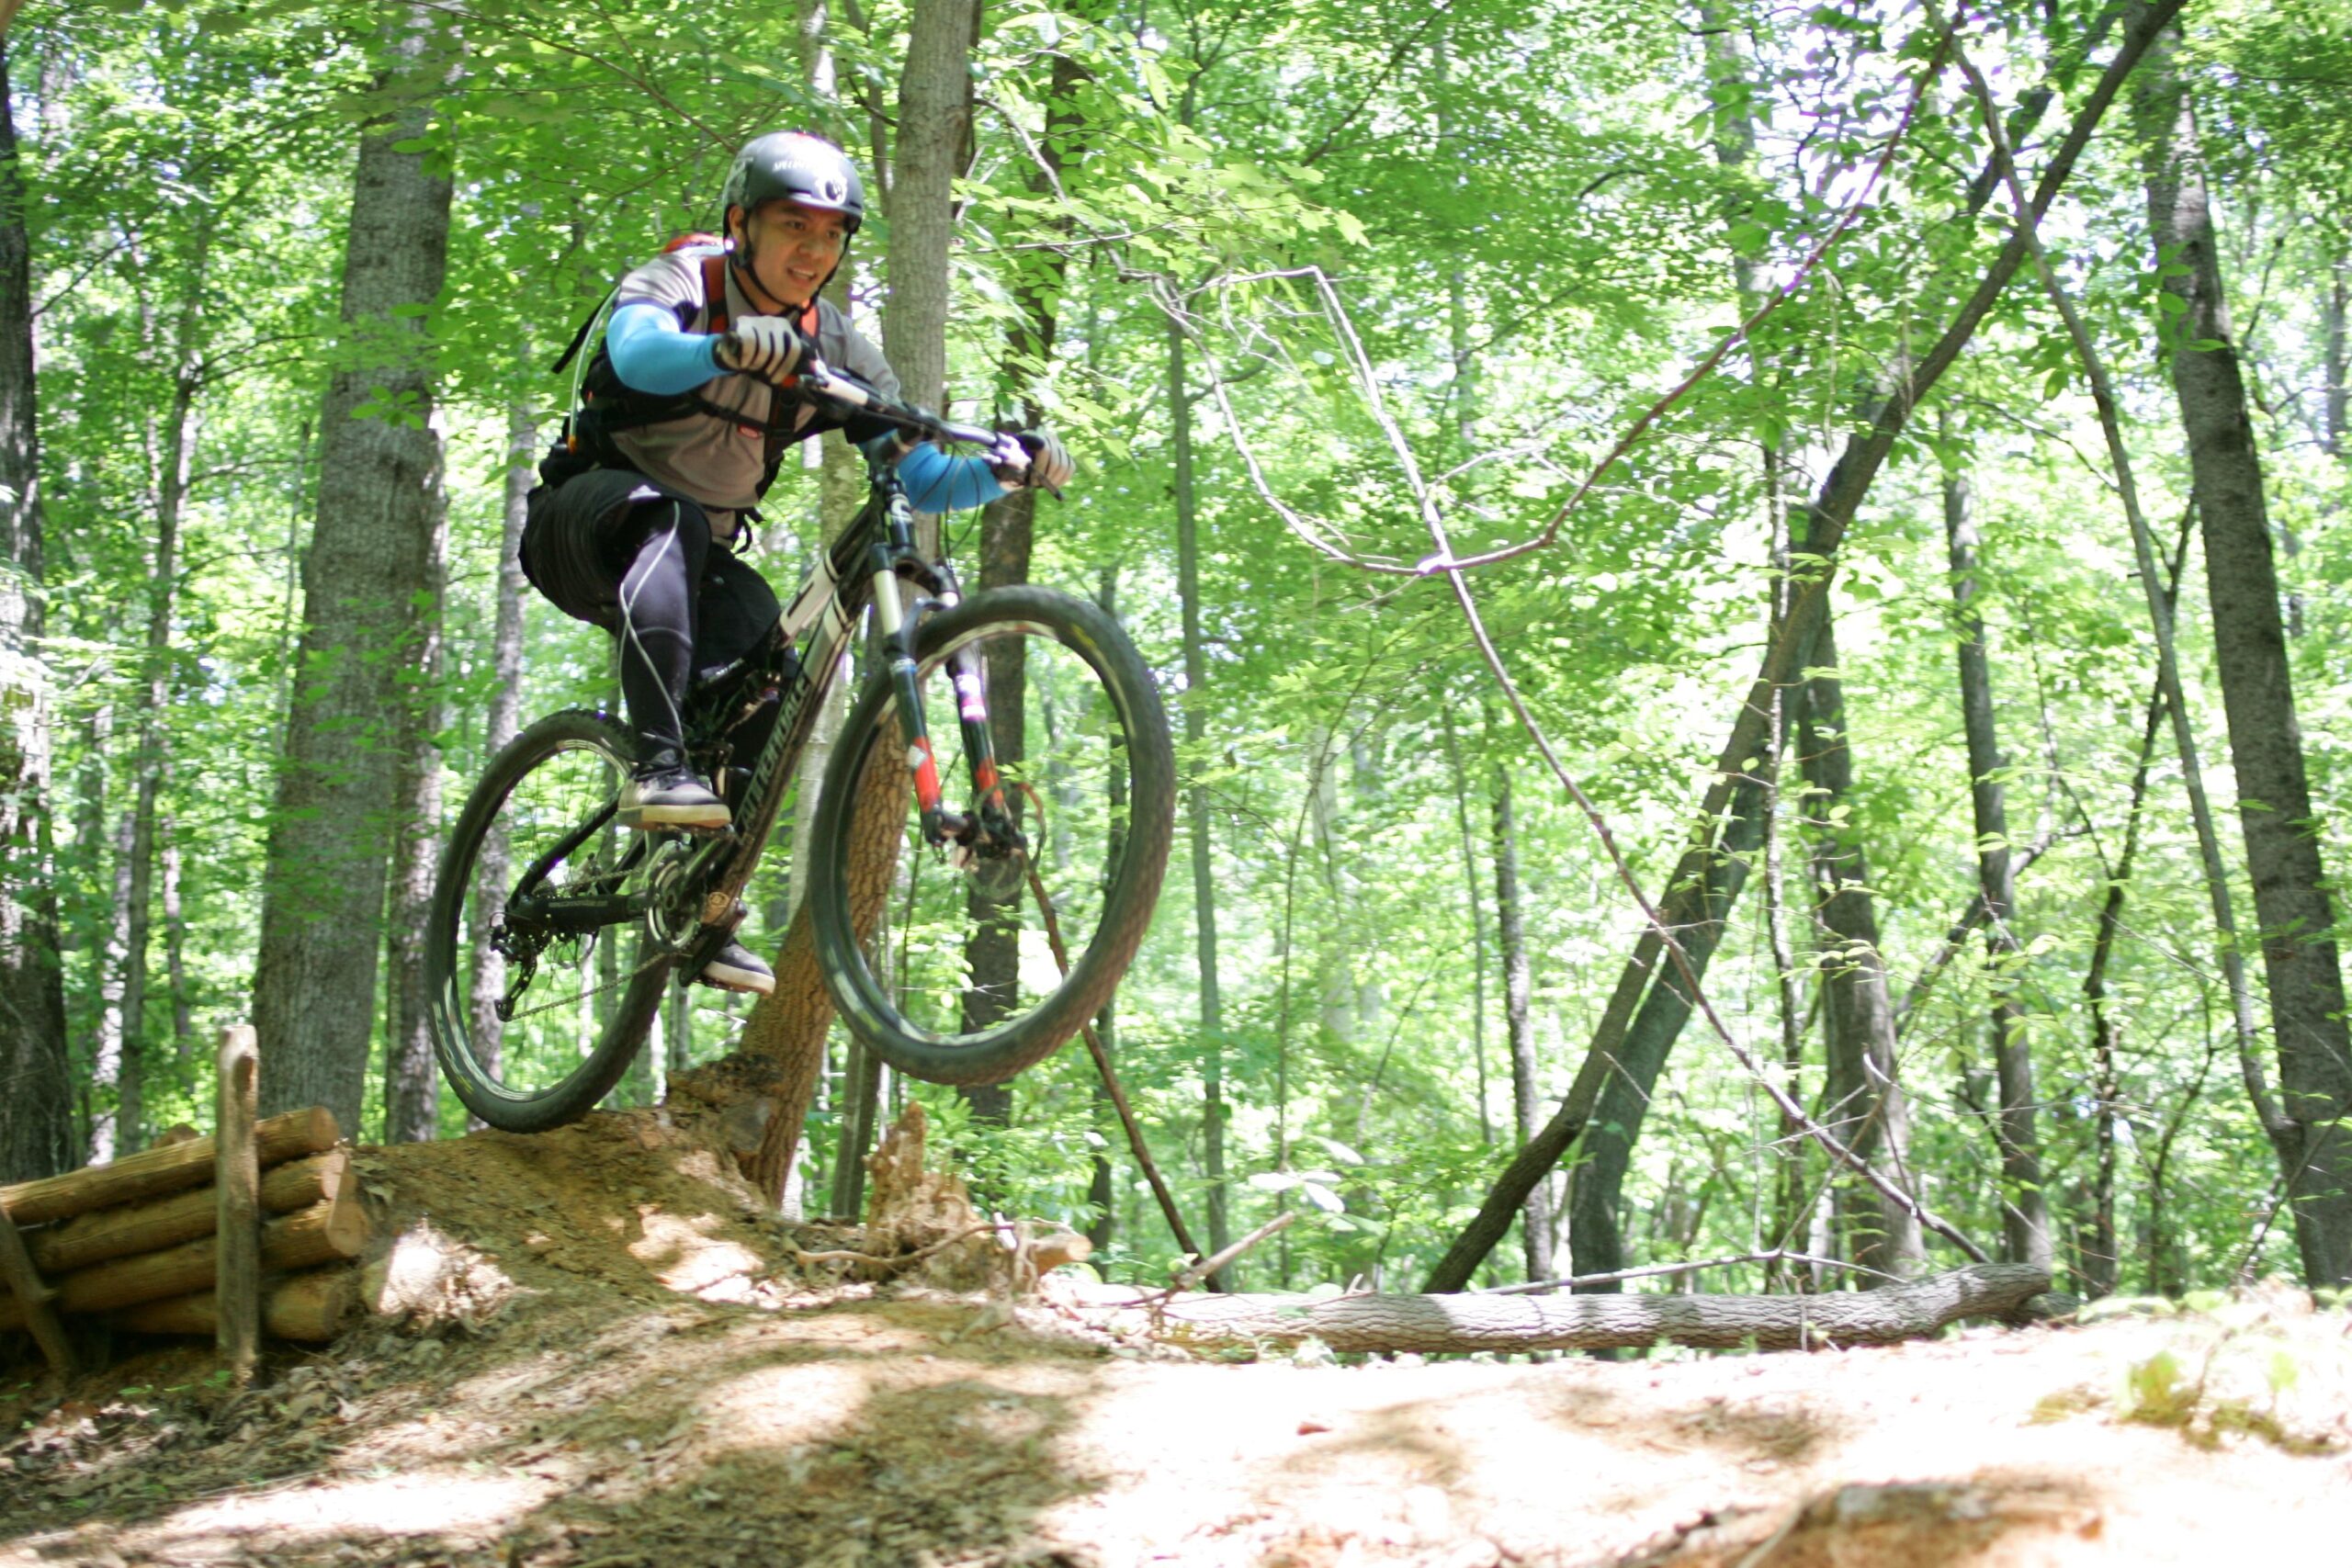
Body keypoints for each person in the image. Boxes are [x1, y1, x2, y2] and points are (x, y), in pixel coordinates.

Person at [519, 130, 1072, 997]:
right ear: (742, 224)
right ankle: (659, 767)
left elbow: (919, 471)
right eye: (793, 227)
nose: (813, 251)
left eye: (831, 235)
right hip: (584, 518)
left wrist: (1002, 469)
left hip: (694, 558)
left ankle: (699, 903)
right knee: (668, 518)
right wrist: (726, 348)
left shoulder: (837, 343)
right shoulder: (683, 279)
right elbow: (634, 352)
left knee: (766, 675)